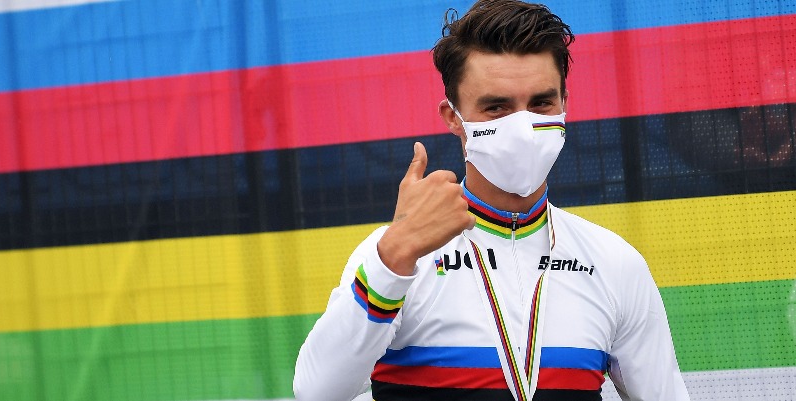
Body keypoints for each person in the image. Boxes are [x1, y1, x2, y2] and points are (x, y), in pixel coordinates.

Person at [293, 1, 690, 400]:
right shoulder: (397, 256)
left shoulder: (614, 262)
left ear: (565, 103)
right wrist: (395, 256)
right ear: (453, 117)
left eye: (541, 103)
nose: (523, 126)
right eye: (496, 107)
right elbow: (316, 392)